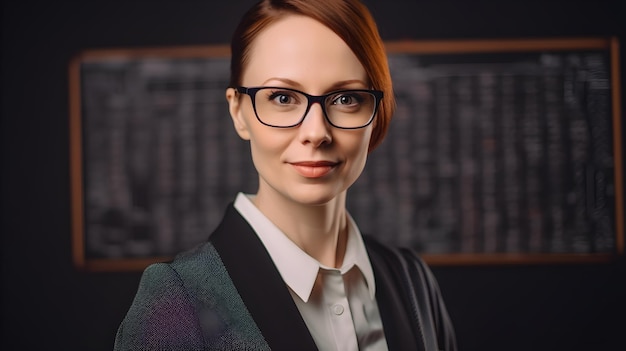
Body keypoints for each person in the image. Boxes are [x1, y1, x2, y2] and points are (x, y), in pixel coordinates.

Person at [114, 0, 457, 350]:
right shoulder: (178, 298)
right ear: (238, 111)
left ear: (376, 110)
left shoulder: (411, 281)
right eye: (282, 97)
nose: (316, 132)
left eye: (345, 98)